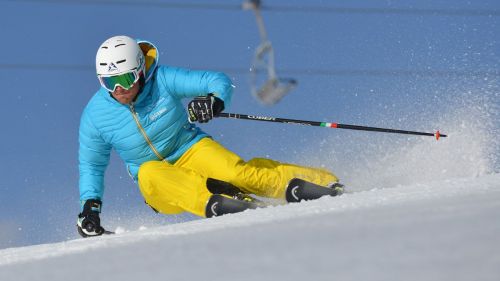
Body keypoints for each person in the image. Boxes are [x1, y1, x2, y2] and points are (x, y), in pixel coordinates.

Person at [77, 35, 343, 237]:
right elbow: (92, 164)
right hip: (161, 183)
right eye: (110, 82)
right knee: (148, 171)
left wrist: (214, 101)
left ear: (141, 70)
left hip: (191, 149)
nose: (120, 89)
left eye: (126, 78)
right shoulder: (95, 114)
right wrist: (91, 205)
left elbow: (216, 80)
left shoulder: (163, 80)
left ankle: (323, 182)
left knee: (239, 174)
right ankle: (215, 201)